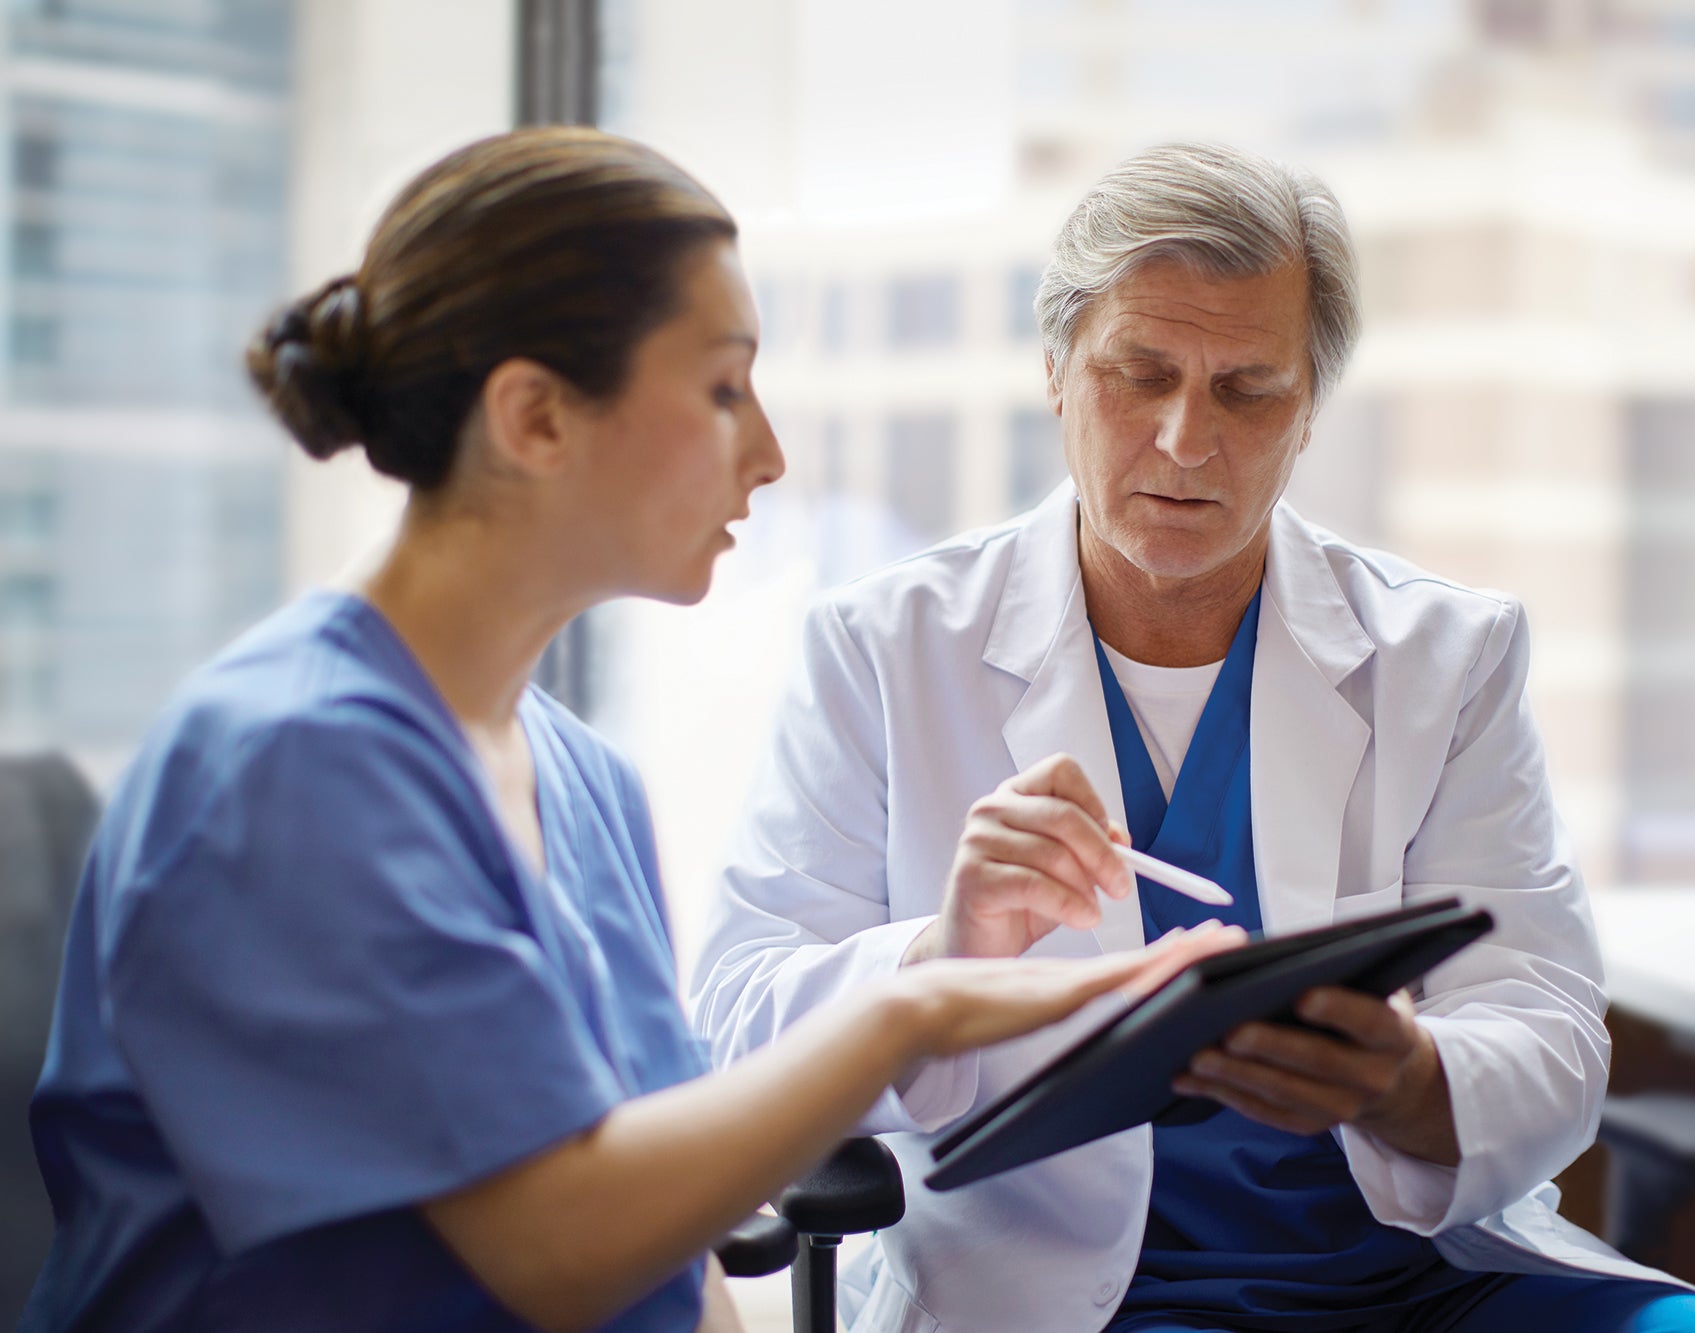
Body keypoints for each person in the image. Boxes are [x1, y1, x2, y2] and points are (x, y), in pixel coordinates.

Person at [20, 127, 1239, 1333]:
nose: (768, 455)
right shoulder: (294, 764)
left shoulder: (582, 779)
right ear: (536, 418)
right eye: (722, 390)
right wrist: (911, 1010)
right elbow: (559, 1251)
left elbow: (671, 1238)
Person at [691, 143, 1695, 1332]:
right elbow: (735, 1022)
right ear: (1054, 372)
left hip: (1427, 1284)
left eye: (1247, 389)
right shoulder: (886, 648)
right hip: (1071, 1301)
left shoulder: (1444, 656)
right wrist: (941, 958)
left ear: (1308, 411)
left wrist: (1411, 1080)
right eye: (1139, 374)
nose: (1183, 439)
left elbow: (1549, 1032)